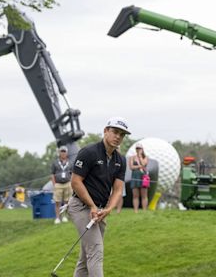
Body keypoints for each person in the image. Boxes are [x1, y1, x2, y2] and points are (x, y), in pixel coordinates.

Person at [69, 117, 128, 277]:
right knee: (95, 251)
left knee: (85, 258)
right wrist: (92, 206)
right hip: (80, 206)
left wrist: (108, 209)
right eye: (115, 132)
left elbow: (117, 190)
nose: (118, 137)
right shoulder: (89, 152)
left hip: (100, 210)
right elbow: (75, 182)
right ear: (105, 131)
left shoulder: (120, 160)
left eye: (122, 134)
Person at [51, 145, 73, 224]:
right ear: (59, 153)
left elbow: (72, 173)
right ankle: (57, 218)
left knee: (67, 201)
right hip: (58, 184)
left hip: (67, 183)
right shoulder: (55, 163)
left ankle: (65, 216)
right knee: (57, 201)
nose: (63, 153)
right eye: (62, 151)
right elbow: (52, 174)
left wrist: (71, 183)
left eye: (64, 152)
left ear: (67, 153)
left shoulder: (70, 162)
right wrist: (54, 184)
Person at [129, 142, 149, 212]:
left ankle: (144, 210)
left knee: (144, 195)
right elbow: (131, 167)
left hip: (143, 177)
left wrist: (140, 156)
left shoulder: (145, 157)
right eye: (137, 148)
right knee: (135, 195)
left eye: (139, 148)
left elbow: (144, 163)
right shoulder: (132, 157)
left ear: (142, 149)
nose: (138, 150)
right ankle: (136, 210)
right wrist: (140, 166)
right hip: (135, 177)